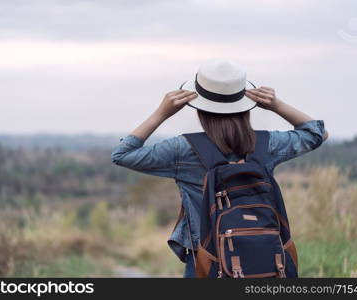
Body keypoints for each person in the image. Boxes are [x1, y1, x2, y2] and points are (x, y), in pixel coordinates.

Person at [111, 58, 329, 278]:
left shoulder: (183, 149)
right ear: (245, 105)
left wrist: (162, 113)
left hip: (206, 259)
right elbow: (316, 133)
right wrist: (276, 105)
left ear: (199, 108)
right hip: (265, 256)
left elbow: (122, 154)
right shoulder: (266, 144)